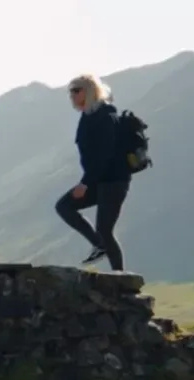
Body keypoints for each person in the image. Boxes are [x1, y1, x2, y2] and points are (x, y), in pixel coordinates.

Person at [56, 73, 132, 272]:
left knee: (105, 230)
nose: (71, 95)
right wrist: (89, 181)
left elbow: (104, 155)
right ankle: (99, 245)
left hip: (114, 181)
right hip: (99, 180)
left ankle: (121, 278)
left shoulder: (106, 116)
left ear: (88, 90)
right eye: (70, 91)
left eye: (75, 90)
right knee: (64, 206)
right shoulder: (88, 116)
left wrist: (85, 183)